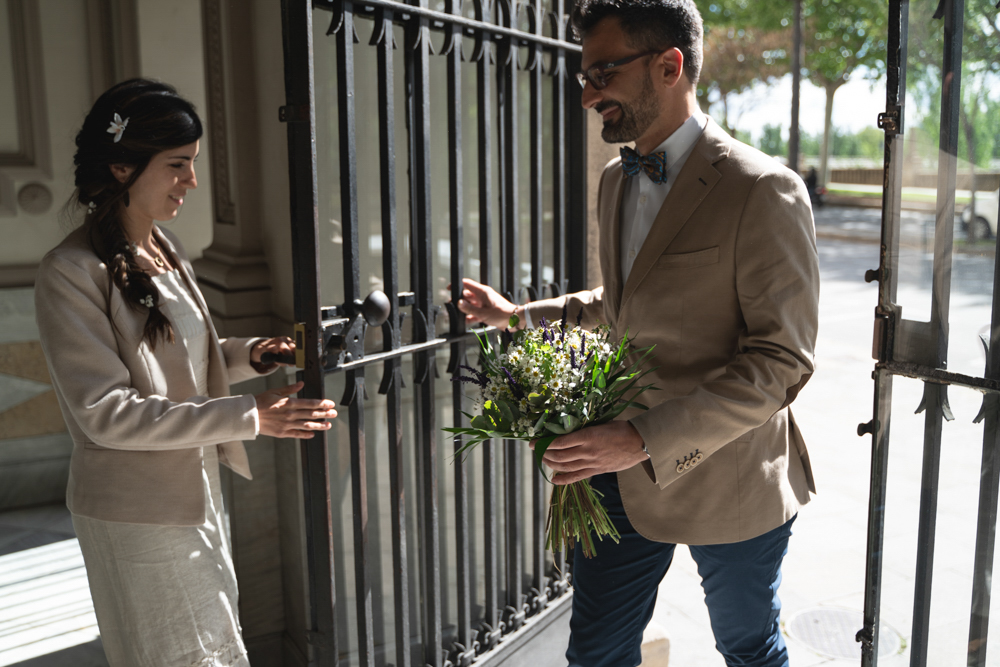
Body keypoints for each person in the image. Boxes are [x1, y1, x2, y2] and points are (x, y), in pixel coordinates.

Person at [456, 1, 819, 665]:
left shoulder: (766, 189)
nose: (589, 93)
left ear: (669, 66)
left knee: (748, 646)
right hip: (617, 478)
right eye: (584, 77)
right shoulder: (613, 183)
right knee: (594, 652)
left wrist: (642, 439)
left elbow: (781, 361)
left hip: (732, 474)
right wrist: (516, 316)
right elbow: (622, 301)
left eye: (602, 73)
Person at [34, 79, 337, 667]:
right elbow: (107, 414)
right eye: (177, 165)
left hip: (193, 491)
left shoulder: (165, 249)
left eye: (194, 163)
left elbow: (176, 362)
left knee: (211, 648)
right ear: (123, 167)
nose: (192, 182)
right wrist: (252, 416)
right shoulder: (68, 273)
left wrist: (252, 355)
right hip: (136, 512)